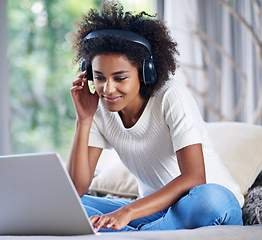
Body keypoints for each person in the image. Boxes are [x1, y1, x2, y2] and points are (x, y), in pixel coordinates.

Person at [67, 1, 243, 232]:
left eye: (120, 78)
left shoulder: (170, 95)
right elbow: (75, 189)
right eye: (99, 77)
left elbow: (194, 177)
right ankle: (142, 234)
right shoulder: (98, 108)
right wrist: (84, 120)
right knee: (67, 205)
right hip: (152, 211)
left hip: (206, 204)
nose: (107, 89)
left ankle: (131, 234)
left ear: (145, 73)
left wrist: (127, 212)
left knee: (212, 196)